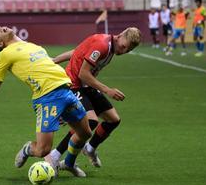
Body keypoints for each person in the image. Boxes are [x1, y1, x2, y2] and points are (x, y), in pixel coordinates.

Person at [0, 26, 92, 177]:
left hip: (66, 91)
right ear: (0, 44)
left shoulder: (33, 46)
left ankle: (68, 163)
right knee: (42, 150)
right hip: (47, 98)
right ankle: (28, 149)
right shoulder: (5, 54)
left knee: (85, 132)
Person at [45, 27, 141, 176]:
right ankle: (55, 156)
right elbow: (83, 73)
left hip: (86, 85)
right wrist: (107, 90)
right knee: (90, 122)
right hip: (74, 84)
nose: (123, 51)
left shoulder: (111, 47)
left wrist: (56, 60)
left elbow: (78, 51)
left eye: (127, 50)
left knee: (113, 120)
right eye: (123, 47)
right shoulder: (102, 45)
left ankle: (89, 149)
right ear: (120, 35)